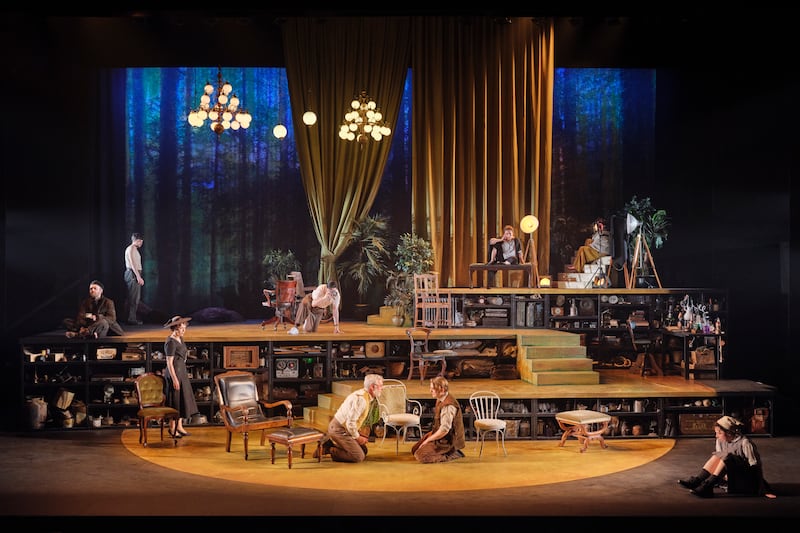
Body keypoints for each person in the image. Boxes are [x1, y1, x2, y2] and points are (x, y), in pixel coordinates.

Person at [678, 415, 775, 498]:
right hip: (729, 477)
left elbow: (755, 466)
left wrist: (762, 489)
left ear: (729, 433)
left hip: (745, 480)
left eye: (719, 433)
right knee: (718, 455)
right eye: (716, 433)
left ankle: (709, 485)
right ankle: (698, 480)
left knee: (728, 457)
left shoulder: (745, 443)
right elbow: (719, 462)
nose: (717, 436)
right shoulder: (720, 441)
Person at [317, 373, 383, 463]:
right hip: (339, 430)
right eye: (380, 386)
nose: (381, 388)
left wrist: (358, 435)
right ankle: (329, 448)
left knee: (363, 450)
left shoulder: (365, 395)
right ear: (372, 387)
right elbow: (350, 423)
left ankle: (332, 444)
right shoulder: (361, 400)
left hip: (345, 429)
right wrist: (358, 438)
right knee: (358, 457)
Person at [411, 376, 466, 463]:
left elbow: (444, 430)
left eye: (433, 389)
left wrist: (429, 440)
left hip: (448, 440)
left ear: (441, 390)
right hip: (440, 436)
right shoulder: (440, 399)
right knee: (414, 449)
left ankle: (453, 454)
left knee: (421, 456)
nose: (430, 391)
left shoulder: (448, 406)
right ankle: (442, 450)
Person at [163, 315, 200, 438]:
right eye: (181, 329)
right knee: (175, 401)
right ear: (175, 328)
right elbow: (169, 362)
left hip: (181, 372)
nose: (184, 331)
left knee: (182, 399)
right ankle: (172, 428)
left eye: (185, 328)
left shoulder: (180, 339)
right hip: (174, 373)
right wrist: (174, 379)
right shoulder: (171, 342)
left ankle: (180, 426)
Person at [123, 232, 145, 325]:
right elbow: (132, 264)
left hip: (134, 273)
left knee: (135, 297)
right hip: (132, 273)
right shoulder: (131, 248)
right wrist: (138, 276)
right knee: (133, 298)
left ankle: (132, 318)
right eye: (140, 241)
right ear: (136, 240)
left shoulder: (134, 249)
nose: (141, 243)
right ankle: (131, 319)